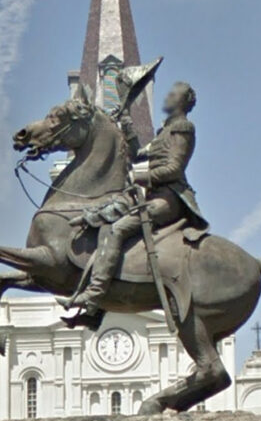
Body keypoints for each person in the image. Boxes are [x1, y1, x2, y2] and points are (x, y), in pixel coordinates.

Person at [61, 80, 207, 319]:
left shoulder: (182, 127)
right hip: (149, 194)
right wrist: (126, 120)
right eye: (169, 92)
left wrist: (140, 176)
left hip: (169, 198)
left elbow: (174, 168)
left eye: (174, 94)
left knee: (118, 229)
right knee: (101, 215)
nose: (167, 96)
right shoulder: (164, 132)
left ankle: (95, 294)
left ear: (184, 101)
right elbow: (139, 154)